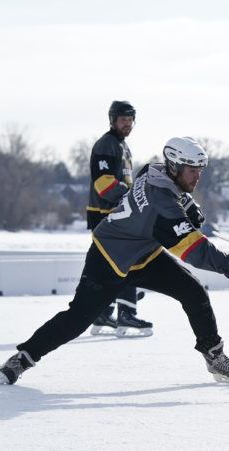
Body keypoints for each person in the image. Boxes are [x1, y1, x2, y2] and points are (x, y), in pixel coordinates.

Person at [0, 137, 229, 385]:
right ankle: (21, 359)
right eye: (192, 171)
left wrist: (186, 203)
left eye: (200, 171)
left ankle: (214, 357)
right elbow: (197, 252)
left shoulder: (155, 171)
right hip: (108, 259)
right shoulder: (163, 208)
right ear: (174, 167)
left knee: (193, 292)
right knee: (77, 319)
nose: (197, 177)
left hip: (143, 255)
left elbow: (149, 177)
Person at [87, 100, 153, 337]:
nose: (127, 124)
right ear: (112, 120)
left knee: (111, 267)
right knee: (129, 262)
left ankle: (104, 312)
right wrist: (131, 197)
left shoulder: (121, 145)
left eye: (130, 120)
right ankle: (126, 313)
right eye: (123, 119)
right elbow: (104, 185)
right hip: (107, 214)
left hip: (116, 213)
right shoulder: (107, 144)